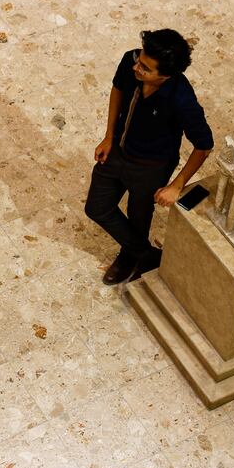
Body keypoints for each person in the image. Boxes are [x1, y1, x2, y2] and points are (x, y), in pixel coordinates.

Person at [85, 29, 214, 285]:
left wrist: (176, 185)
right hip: (118, 152)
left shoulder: (182, 100)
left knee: (139, 216)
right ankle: (145, 254)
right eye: (139, 60)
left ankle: (129, 254)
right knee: (96, 208)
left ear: (165, 76)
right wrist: (109, 136)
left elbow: (204, 145)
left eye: (145, 68)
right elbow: (117, 89)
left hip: (151, 167)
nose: (136, 67)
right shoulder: (131, 61)